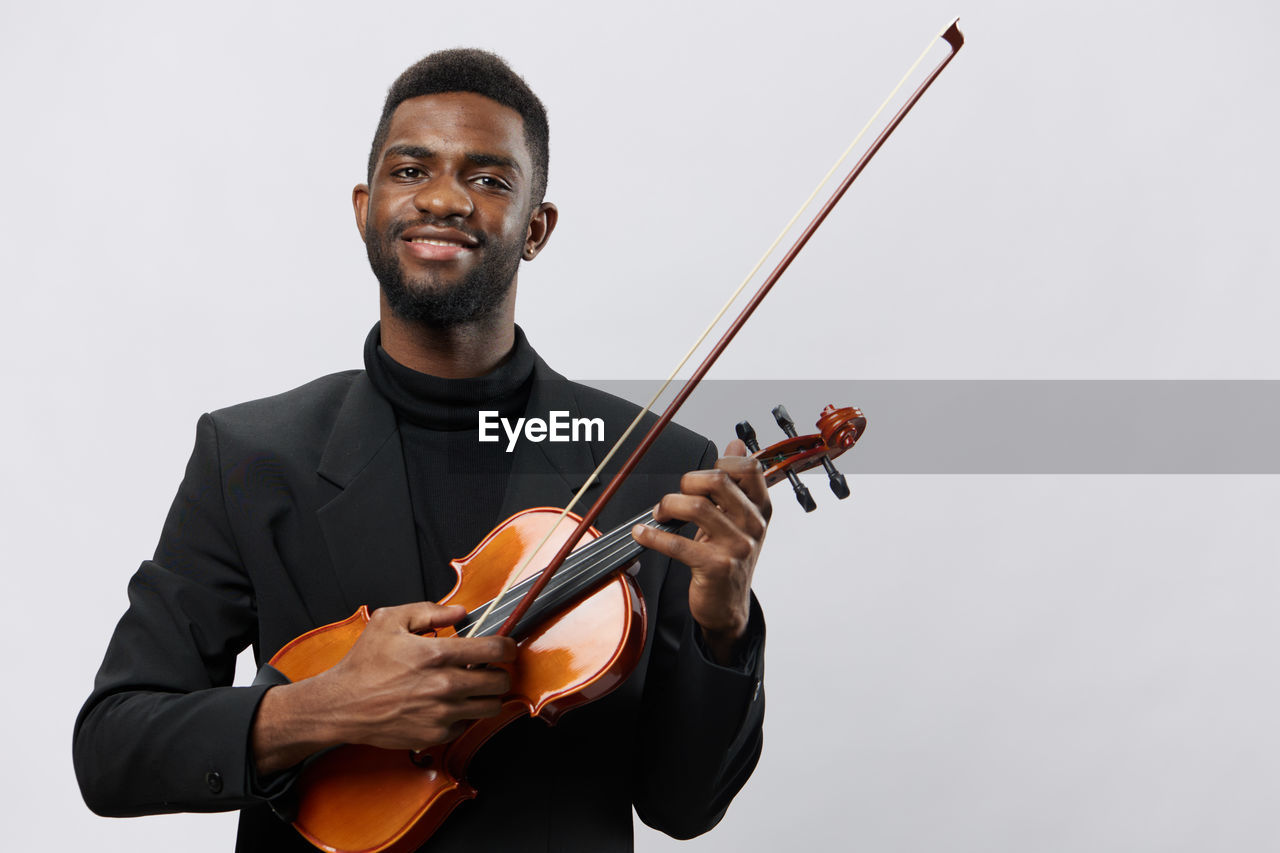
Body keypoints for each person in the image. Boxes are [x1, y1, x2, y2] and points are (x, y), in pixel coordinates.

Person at [73, 48, 770, 852]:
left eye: (490, 179)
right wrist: (327, 705)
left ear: (536, 228)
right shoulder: (248, 454)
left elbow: (685, 806)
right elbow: (112, 749)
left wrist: (726, 629)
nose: (444, 199)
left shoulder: (651, 459)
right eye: (412, 170)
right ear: (366, 207)